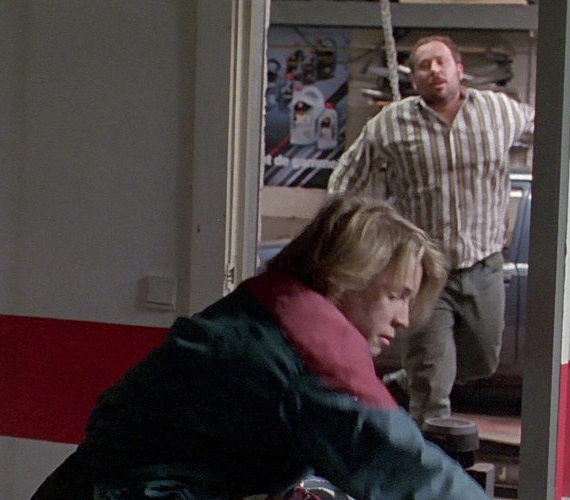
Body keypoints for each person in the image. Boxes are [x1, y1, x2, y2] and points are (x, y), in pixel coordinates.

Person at [32, 194, 491, 499]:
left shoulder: (268, 308)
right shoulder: (311, 341)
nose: (404, 319)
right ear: (352, 273)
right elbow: (402, 467)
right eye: (397, 295)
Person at [328, 35, 535, 424]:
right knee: (433, 392)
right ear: (413, 79)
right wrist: (364, 237)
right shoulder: (390, 124)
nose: (434, 70)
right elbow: (344, 182)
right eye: (423, 66)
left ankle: (412, 377)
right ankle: (426, 436)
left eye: (441, 62)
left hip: (484, 265)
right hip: (424, 272)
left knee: (483, 362)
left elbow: (551, 127)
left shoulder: (498, 111)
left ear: (459, 69)